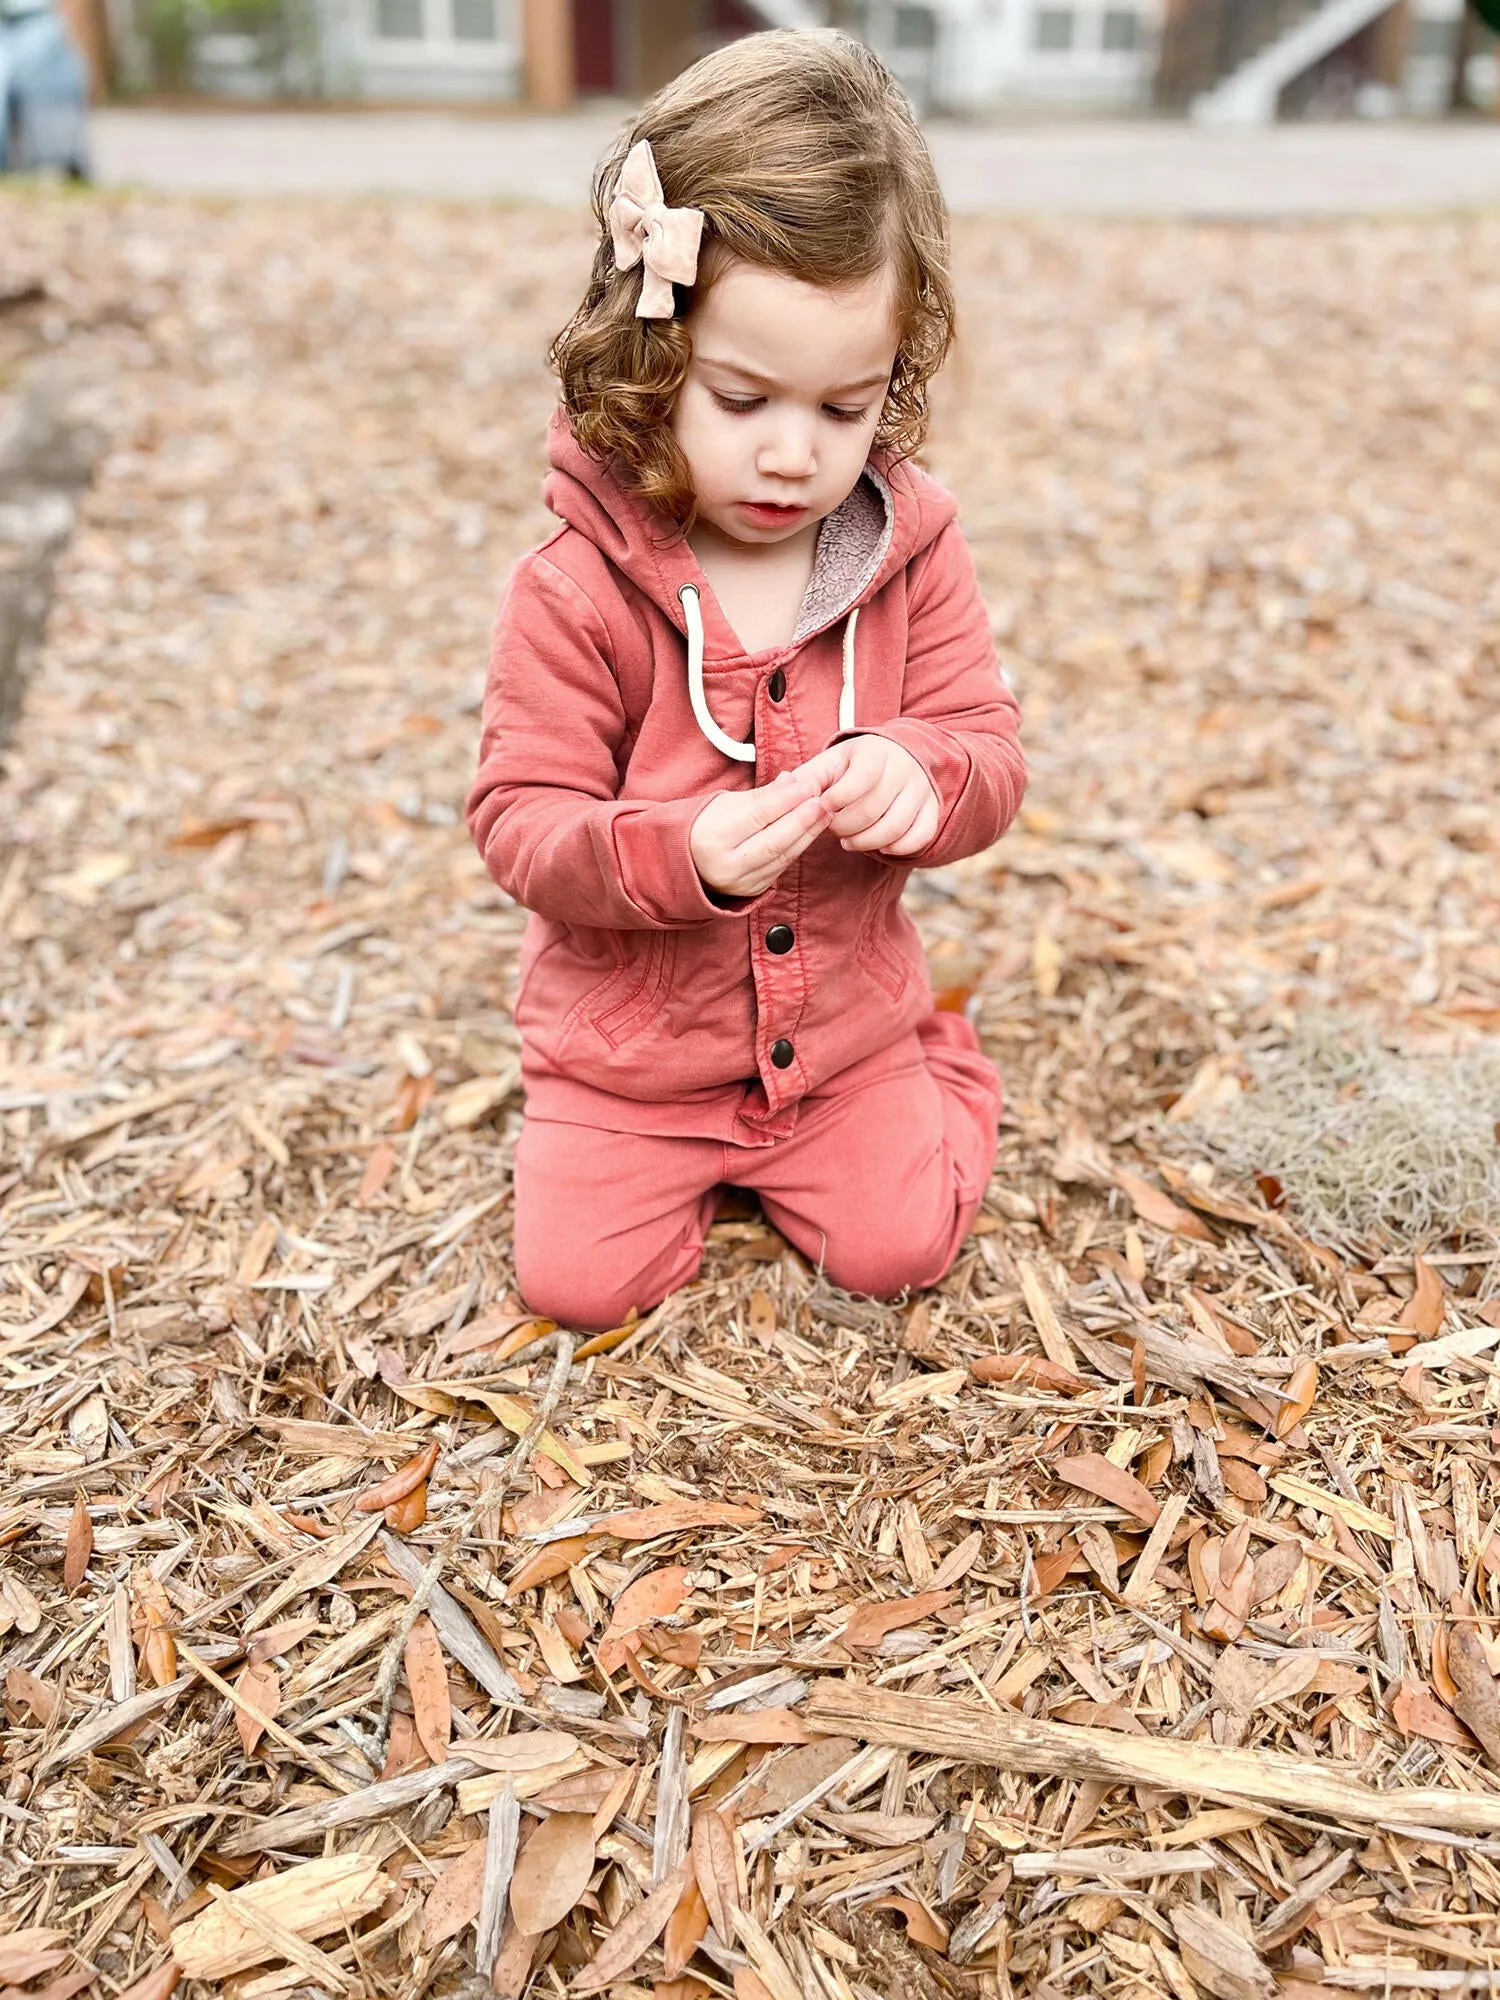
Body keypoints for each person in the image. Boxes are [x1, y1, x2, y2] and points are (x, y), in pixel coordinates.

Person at [467, 29, 1026, 1332]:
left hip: (840, 1040)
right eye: (743, 397)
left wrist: (924, 772)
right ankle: (674, 1159)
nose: (794, 455)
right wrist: (681, 856)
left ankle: (937, 1059)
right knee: (580, 1288)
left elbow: (988, 752)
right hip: (632, 1058)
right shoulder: (575, 586)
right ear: (654, 359)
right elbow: (521, 823)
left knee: (901, 1250)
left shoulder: (906, 549)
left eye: (844, 409)